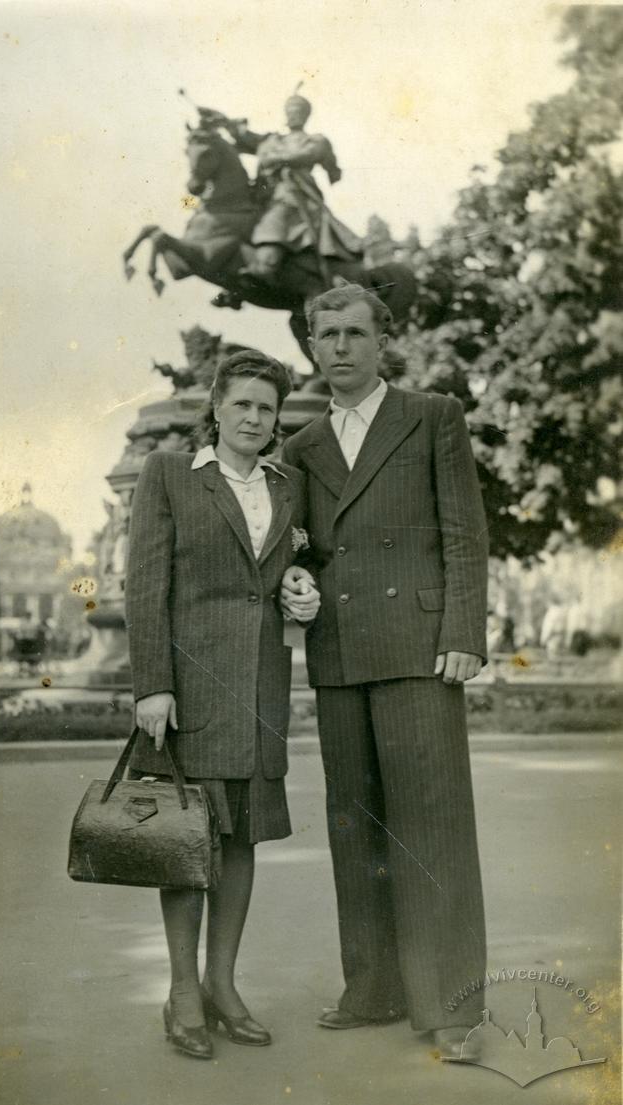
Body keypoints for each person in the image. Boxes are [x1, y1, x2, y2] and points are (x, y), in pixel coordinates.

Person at [280, 283, 488, 1059]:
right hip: (340, 652)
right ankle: (374, 986)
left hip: (420, 648)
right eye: (324, 334)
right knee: (354, 823)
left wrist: (464, 631)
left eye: (354, 333)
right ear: (310, 346)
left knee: (430, 826)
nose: (339, 346)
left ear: (382, 340)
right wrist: (293, 583)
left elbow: (465, 534)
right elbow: (298, 549)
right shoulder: (300, 446)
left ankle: (452, 1007)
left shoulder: (433, 416)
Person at [125, 350, 319, 1060]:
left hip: (263, 683)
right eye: (241, 403)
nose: (253, 418)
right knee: (188, 837)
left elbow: (300, 562)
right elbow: (143, 585)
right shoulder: (171, 475)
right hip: (191, 686)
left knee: (241, 839)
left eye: (266, 408)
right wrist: (153, 682)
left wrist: (302, 584)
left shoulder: (287, 485)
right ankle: (182, 992)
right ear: (216, 406)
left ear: (276, 422)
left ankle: (223, 985)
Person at [203, 94, 360, 284]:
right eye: (290, 112)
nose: (294, 116)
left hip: (293, 193)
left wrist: (277, 158)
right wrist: (224, 121)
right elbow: (246, 136)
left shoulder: (315, 140)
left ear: (306, 116)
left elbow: (309, 154)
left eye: (298, 112)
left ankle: (266, 266)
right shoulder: (271, 140)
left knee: (276, 215)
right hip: (261, 193)